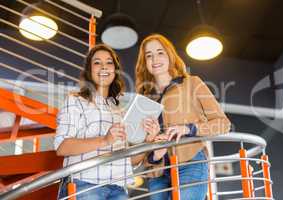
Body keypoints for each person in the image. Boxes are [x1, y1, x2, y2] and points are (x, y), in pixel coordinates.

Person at [135, 34, 231, 200]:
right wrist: (154, 154)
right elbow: (141, 149)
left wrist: (189, 128)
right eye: (148, 56)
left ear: (170, 55)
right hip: (156, 173)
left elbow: (223, 124)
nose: (154, 59)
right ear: (144, 63)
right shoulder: (143, 99)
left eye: (160, 52)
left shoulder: (192, 83)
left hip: (191, 163)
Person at [54, 44, 133, 200]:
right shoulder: (75, 101)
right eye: (97, 62)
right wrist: (105, 140)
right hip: (85, 183)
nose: (104, 66)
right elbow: (62, 147)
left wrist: (149, 140)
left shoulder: (120, 111)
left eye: (109, 62)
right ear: (89, 71)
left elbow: (128, 158)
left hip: (118, 187)